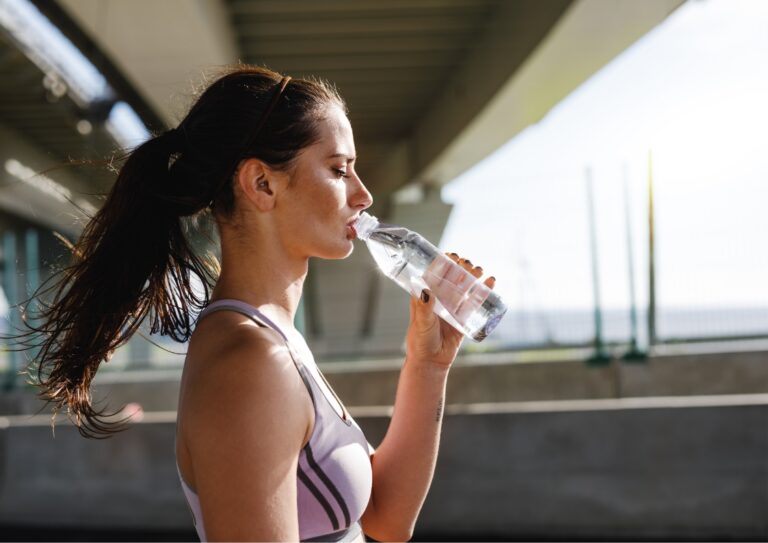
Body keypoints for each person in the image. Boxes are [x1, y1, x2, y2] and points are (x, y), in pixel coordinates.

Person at [24, 65, 495, 541]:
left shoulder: (274, 341)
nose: (364, 194)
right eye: (338, 170)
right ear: (261, 185)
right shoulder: (252, 363)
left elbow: (386, 517)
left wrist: (429, 363)